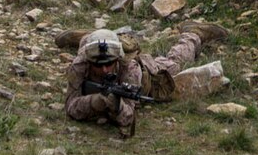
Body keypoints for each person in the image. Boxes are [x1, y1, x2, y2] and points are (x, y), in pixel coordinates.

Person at [62, 22, 229, 139]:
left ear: (117, 59)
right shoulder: (80, 65)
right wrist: (95, 101)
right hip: (92, 67)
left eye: (109, 64)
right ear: (89, 60)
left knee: (174, 64)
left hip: (146, 72)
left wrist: (117, 107)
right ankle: (89, 38)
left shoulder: (130, 69)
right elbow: (70, 107)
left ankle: (193, 34)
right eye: (98, 65)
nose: (105, 70)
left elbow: (127, 117)